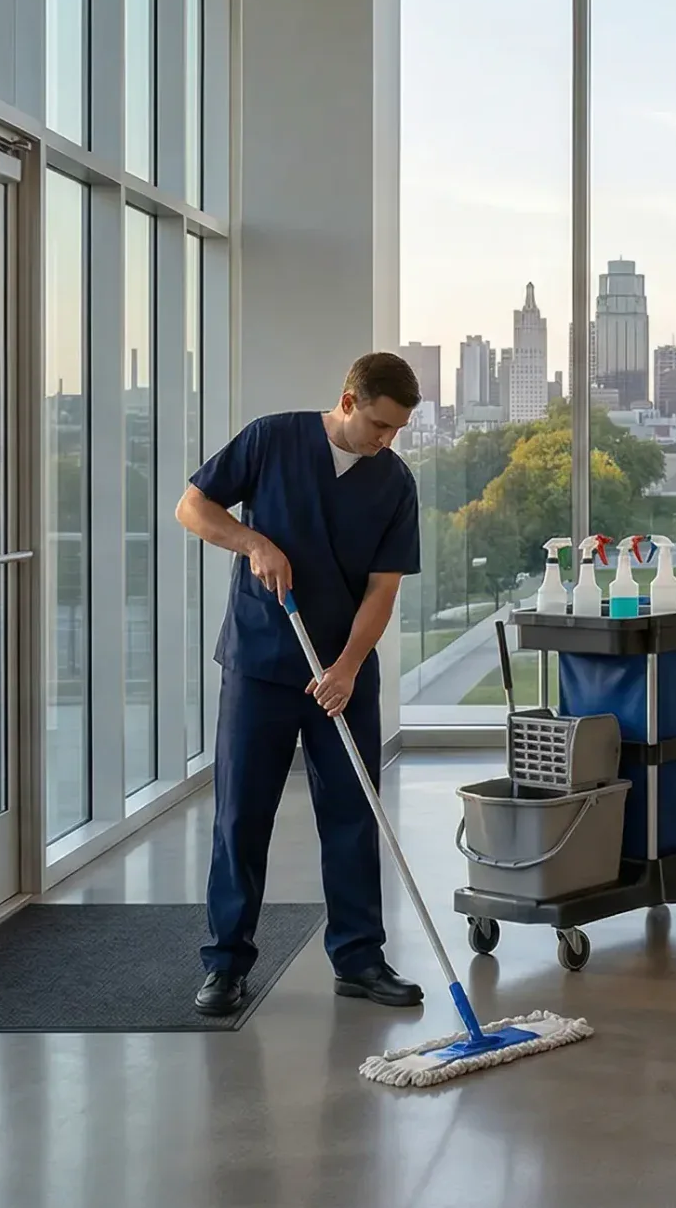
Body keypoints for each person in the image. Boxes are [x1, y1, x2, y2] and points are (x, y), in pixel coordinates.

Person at [177, 353, 426, 1016]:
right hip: (259, 664)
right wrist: (252, 542)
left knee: (353, 815)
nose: (386, 440)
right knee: (241, 816)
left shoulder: (394, 482)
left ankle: (359, 959)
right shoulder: (272, 438)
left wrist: (346, 669)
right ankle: (225, 964)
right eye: (378, 425)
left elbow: (382, 590)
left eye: (397, 430)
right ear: (348, 401)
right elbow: (192, 507)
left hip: (343, 672)